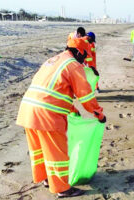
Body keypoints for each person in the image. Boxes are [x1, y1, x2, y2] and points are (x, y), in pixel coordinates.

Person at [16, 37, 106, 198]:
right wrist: (98, 113)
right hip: (46, 115)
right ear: (79, 52)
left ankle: (45, 178)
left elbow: (53, 89)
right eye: (84, 55)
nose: (84, 59)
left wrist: (71, 109)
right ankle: (63, 189)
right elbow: (85, 95)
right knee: (57, 154)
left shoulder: (52, 60)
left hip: (28, 109)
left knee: (39, 150)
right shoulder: (73, 65)